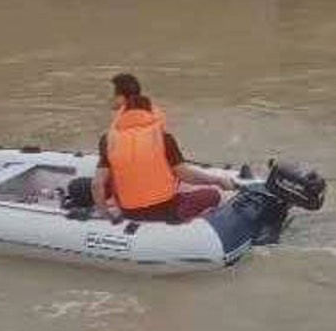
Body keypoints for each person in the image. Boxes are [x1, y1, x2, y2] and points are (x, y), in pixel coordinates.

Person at [91, 73, 236, 223]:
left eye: (111, 95)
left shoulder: (108, 139)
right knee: (212, 195)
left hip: (128, 211)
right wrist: (218, 180)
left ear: (123, 105)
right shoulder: (163, 138)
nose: (107, 99)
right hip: (164, 208)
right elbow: (185, 175)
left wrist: (105, 215)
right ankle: (179, 216)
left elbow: (97, 184)